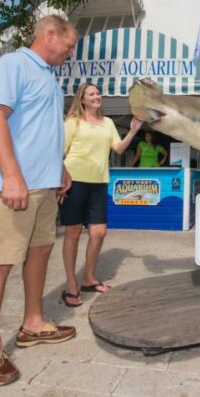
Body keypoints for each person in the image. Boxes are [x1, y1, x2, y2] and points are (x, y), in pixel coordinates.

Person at [0, 15, 77, 387]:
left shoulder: (50, 78)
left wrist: (59, 167)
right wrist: (11, 176)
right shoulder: (12, 64)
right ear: (50, 34)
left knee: (40, 252)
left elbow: (39, 130)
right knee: (0, 261)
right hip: (13, 185)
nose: (70, 53)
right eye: (69, 45)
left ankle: (33, 323)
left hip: (44, 186)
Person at [60, 83, 142, 307]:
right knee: (73, 233)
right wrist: (62, 177)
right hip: (74, 181)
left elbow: (118, 149)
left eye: (98, 93)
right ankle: (71, 284)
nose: (97, 96)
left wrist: (133, 130)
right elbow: (59, 152)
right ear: (82, 99)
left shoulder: (108, 123)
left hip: (99, 183)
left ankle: (88, 279)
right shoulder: (72, 122)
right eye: (92, 94)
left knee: (99, 232)